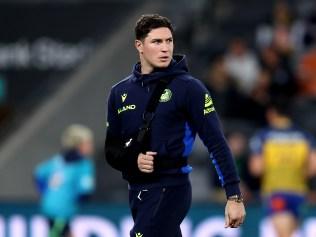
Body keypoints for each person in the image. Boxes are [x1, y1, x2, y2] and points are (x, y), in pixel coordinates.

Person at [105, 14, 245, 237]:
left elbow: (216, 142)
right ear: (139, 46)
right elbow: (111, 151)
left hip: (171, 186)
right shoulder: (119, 93)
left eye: (168, 41)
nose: (165, 48)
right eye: (157, 42)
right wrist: (134, 159)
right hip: (138, 191)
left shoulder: (189, 88)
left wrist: (234, 196)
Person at [249, 97, 316, 237]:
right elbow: (313, 168)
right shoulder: (305, 136)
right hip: (299, 192)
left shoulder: (263, 136)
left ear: (272, 113)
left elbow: (256, 168)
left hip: (276, 193)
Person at [34, 124, 95, 237]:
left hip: (50, 207)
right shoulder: (84, 165)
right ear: (79, 145)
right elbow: (85, 193)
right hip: (62, 211)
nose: (91, 146)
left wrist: (45, 194)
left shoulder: (58, 160)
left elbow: (38, 174)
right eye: (88, 143)